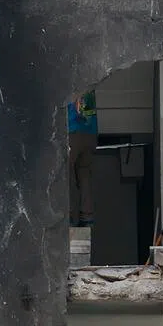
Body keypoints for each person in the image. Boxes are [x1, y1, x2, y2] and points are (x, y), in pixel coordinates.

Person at [67, 90, 98, 227]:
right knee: (84, 173)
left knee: (67, 175)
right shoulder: (90, 85)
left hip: (72, 132)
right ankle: (87, 217)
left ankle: (70, 217)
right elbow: (88, 111)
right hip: (91, 134)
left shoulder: (70, 79)